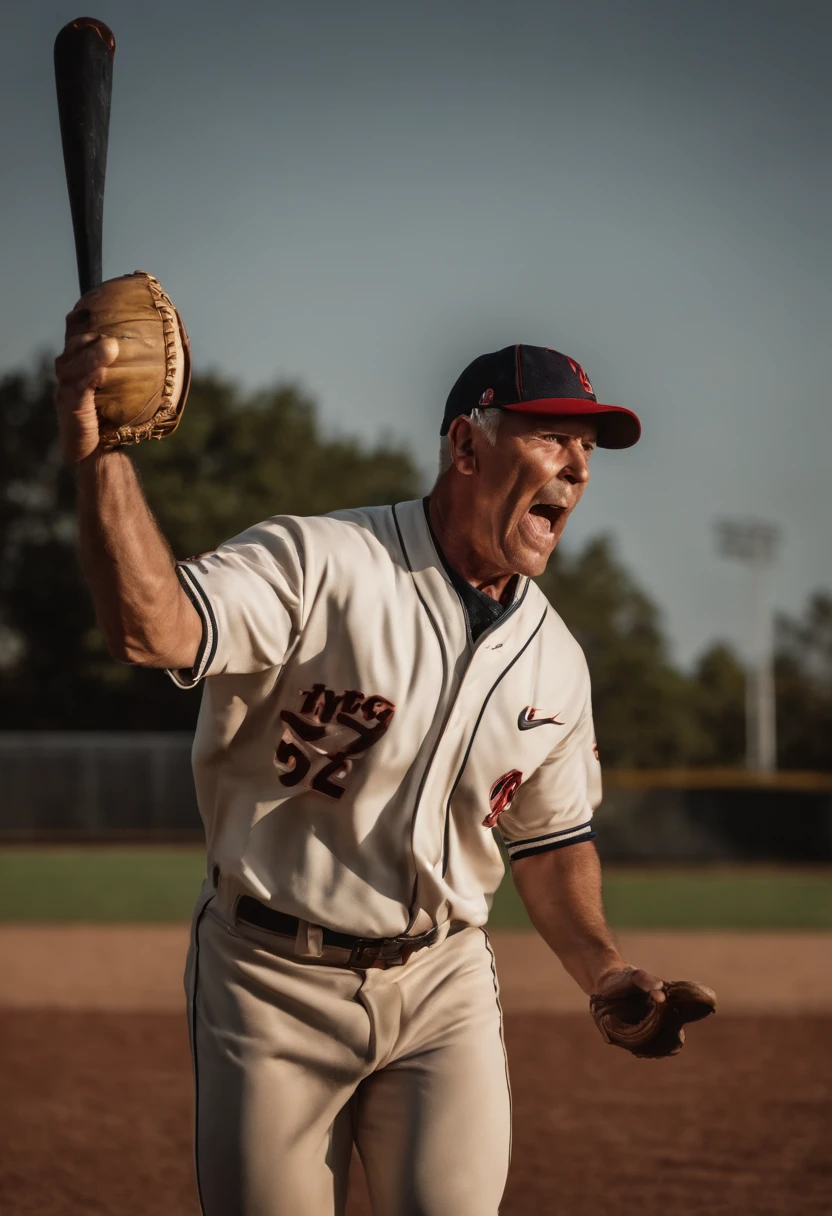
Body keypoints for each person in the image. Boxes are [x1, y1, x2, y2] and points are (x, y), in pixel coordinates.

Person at [54, 336, 668, 1216]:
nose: (576, 465)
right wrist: (101, 459)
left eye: (587, 446)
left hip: (441, 985)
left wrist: (606, 972)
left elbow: (549, 844)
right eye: (548, 435)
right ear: (466, 445)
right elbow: (154, 628)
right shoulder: (322, 563)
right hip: (268, 979)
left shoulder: (557, 663)